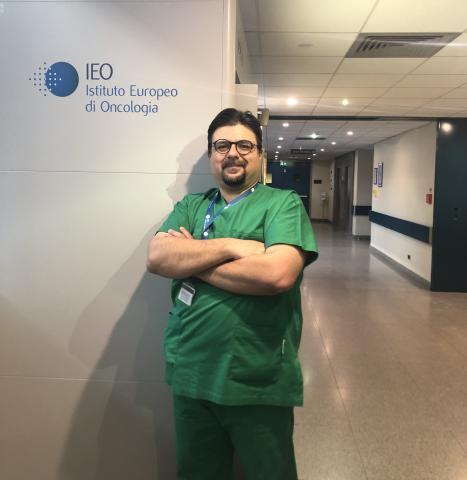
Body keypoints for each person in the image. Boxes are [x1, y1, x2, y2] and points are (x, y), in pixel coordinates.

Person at [147, 108, 318, 480]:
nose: (233, 153)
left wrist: (192, 259)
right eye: (222, 145)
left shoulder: (282, 204)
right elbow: (158, 257)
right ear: (212, 154)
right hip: (192, 373)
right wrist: (233, 247)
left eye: (245, 145)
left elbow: (277, 275)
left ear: (260, 154)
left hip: (256, 376)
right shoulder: (191, 206)